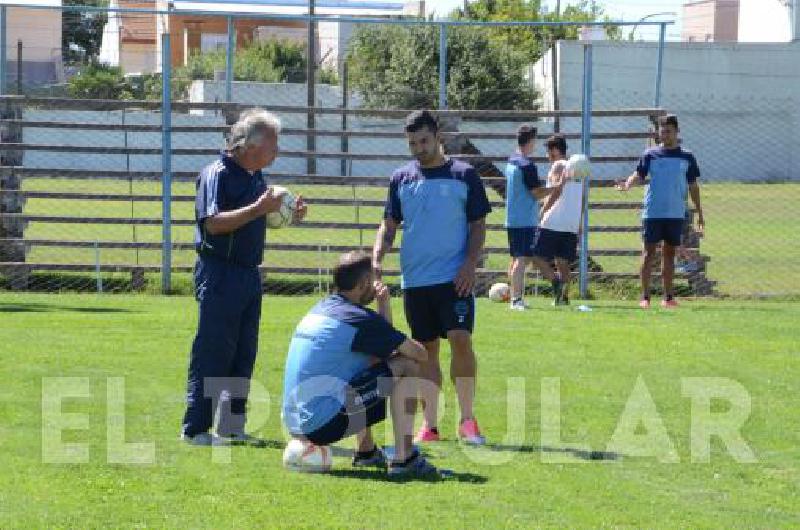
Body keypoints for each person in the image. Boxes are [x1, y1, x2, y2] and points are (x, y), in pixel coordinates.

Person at [181, 108, 307, 445]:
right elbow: (213, 222)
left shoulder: (255, 177)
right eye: (273, 145)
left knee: (243, 352)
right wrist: (258, 209)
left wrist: (289, 215)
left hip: (248, 274)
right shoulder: (217, 173)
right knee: (213, 351)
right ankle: (195, 429)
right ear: (250, 146)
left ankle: (232, 426)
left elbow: (257, 218)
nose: (277, 152)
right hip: (219, 271)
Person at [372, 110, 492, 445]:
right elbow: (389, 223)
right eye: (412, 143)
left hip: (454, 278)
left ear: (437, 136)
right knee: (426, 350)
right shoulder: (401, 178)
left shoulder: (464, 174)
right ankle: (431, 424)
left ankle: (468, 420)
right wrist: (378, 255)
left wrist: (470, 263)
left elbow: (478, 224)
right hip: (416, 281)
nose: (418, 148)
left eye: (423, 141)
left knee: (461, 340)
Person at [281, 251, 438, 478]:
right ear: (364, 283)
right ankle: (405, 458)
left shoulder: (320, 309)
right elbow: (419, 354)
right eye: (374, 279)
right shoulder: (359, 318)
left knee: (362, 366)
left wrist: (382, 308)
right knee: (407, 365)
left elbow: (378, 354)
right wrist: (384, 308)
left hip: (294, 423)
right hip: (320, 424)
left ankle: (366, 452)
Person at [617, 114, 705, 309]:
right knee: (648, 254)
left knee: (669, 255)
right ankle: (645, 297)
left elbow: (693, 186)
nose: (664, 134)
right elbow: (638, 174)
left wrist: (699, 212)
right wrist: (627, 185)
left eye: (668, 131)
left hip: (675, 213)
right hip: (653, 212)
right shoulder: (650, 154)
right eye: (661, 131)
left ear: (677, 132)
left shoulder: (687, 157)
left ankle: (668, 297)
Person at [503, 125, 561, 310]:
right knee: (521, 259)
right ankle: (516, 300)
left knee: (518, 258)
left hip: (513, 218)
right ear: (531, 141)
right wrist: (557, 187)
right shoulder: (527, 166)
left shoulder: (511, 161)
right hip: (524, 219)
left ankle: (514, 296)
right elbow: (536, 193)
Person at [530, 134, 584, 306]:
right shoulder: (577, 168)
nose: (547, 155)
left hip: (554, 221)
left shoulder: (558, 166)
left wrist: (543, 211)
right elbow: (582, 198)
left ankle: (555, 283)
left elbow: (555, 191)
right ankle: (563, 298)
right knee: (563, 262)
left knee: (535, 256)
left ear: (554, 150)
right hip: (571, 223)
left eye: (548, 151)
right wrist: (579, 223)